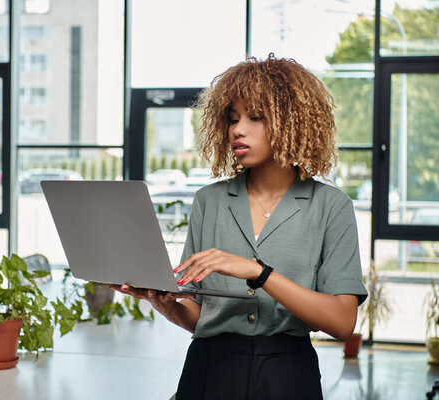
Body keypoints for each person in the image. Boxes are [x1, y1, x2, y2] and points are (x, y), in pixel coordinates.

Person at [111, 54, 368, 400]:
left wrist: (258, 272)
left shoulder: (332, 208)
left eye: (255, 117)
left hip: (288, 374)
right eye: (233, 119)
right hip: (209, 370)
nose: (237, 129)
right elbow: (200, 315)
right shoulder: (208, 201)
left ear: (292, 121)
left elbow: (341, 323)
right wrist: (167, 304)